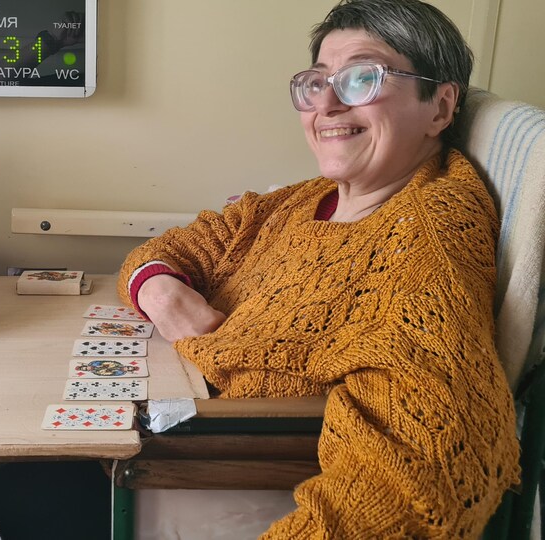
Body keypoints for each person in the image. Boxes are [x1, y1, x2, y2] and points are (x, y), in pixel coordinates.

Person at [117, 0, 520, 537]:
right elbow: (180, 246)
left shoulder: (424, 248)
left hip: (216, 483)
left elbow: (424, 477)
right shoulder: (306, 200)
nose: (326, 104)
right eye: (317, 82)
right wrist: (162, 292)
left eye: (362, 78)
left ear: (440, 108)